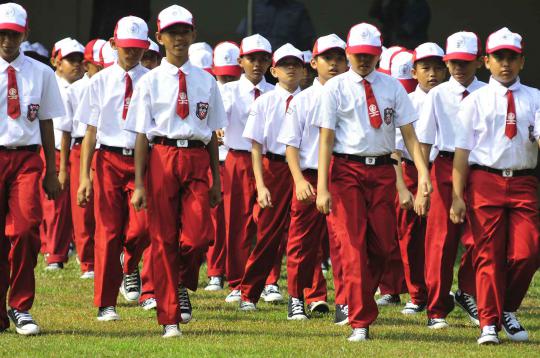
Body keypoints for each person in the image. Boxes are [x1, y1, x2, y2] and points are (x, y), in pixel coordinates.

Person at [313, 22, 431, 342]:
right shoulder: (334, 88)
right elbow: (325, 139)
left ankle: (359, 300)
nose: (363, 60)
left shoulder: (392, 86)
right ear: (349, 53)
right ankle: (360, 320)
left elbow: (408, 133)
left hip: (381, 171)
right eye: (357, 54)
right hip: (345, 172)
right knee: (351, 246)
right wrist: (323, 186)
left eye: (369, 54)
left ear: (379, 54)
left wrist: (421, 173)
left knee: (383, 245)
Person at [127, 5, 226, 338]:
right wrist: (139, 183)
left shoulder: (207, 81)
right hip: (162, 156)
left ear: (194, 35)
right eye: (171, 33)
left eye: (184, 31)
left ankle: (182, 280)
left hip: (196, 157)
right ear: (159, 38)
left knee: (199, 236)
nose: (178, 38)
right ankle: (169, 316)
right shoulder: (150, 81)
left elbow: (212, 133)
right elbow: (142, 134)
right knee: (163, 237)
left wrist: (215, 178)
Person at [451, 27, 539, 345]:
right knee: (487, 254)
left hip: (523, 181)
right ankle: (488, 323)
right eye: (499, 57)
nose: (506, 64)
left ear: (522, 61)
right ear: (486, 62)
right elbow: (462, 152)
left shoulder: (535, 98)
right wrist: (457, 196)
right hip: (485, 180)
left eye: (512, 58)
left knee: (528, 252)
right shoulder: (475, 101)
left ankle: (507, 309)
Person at [76, 16, 150, 321]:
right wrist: (84, 177)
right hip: (108, 159)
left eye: (137, 48)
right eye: (125, 47)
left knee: (144, 227)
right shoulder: (99, 81)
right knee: (106, 231)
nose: (130, 53)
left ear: (146, 47)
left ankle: (129, 263)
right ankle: (106, 302)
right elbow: (90, 132)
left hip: (143, 160)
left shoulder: (152, 80)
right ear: (112, 44)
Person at [0, 2, 64, 336]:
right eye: (3, 34)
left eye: (14, 34)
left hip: (26, 158)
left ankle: (20, 305)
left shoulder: (41, 73)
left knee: (26, 229)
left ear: (26, 33)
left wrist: (52, 171)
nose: (8, 40)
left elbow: (47, 121)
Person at [415, 31, 485, 329]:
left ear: (478, 62)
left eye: (465, 62)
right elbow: (424, 140)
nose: (459, 68)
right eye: (453, 62)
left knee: (481, 238)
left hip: (480, 170)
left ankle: (467, 290)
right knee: (440, 242)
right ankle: (436, 309)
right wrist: (422, 181)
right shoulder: (438, 94)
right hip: (443, 166)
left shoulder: (487, 93)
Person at [277, 34, 348, 320]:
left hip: (342, 173)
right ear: (314, 63)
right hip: (308, 174)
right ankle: (296, 297)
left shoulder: (350, 96)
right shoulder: (302, 100)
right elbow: (290, 145)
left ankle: (345, 300)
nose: (333, 64)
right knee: (301, 241)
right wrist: (298, 180)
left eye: (339, 58)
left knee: (344, 241)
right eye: (327, 59)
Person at [238, 43, 305, 311]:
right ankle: (249, 293)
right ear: (273, 70)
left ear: (304, 71)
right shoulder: (264, 101)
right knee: (268, 235)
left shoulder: (310, 99)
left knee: (303, 237)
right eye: (285, 64)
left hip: (303, 169)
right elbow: (255, 146)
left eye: (296, 64)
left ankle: (305, 296)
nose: (291, 68)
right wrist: (261, 185)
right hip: (274, 168)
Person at [219, 34, 274, 303]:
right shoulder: (228, 91)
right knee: (237, 222)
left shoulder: (274, 92)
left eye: (263, 59)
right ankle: (237, 281)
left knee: (268, 221)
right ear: (240, 61)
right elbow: (217, 122)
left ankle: (269, 280)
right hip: (238, 159)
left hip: (267, 161)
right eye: (252, 58)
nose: (257, 64)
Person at [394, 42, 447, 315]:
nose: (433, 73)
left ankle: (441, 288)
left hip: (445, 169)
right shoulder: (407, 101)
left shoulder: (452, 98)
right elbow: (395, 147)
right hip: (411, 170)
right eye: (426, 68)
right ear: (414, 72)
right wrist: (402, 184)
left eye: (439, 67)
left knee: (440, 236)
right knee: (410, 234)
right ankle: (417, 293)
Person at [61, 38, 106, 279]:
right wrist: (63, 166)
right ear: (88, 64)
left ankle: (104, 256)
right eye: (97, 65)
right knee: (83, 209)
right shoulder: (75, 90)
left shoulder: (109, 84)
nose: (101, 69)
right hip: (81, 147)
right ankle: (87, 260)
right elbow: (66, 130)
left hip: (105, 148)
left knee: (104, 206)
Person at [41, 38, 84, 271]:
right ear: (56, 61)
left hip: (77, 149)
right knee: (55, 205)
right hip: (54, 150)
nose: (76, 64)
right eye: (70, 59)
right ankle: (55, 253)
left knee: (77, 205)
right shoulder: (49, 84)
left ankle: (75, 248)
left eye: (79, 59)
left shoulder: (83, 86)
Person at [204, 40, 242, 291]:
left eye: (231, 76)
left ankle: (235, 270)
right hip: (215, 160)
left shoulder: (242, 90)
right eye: (223, 76)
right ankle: (215, 271)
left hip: (236, 159)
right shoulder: (208, 89)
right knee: (215, 220)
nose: (227, 81)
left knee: (237, 220)